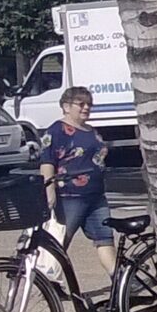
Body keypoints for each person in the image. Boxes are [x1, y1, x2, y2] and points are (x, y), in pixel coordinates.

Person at [40, 86, 116, 279]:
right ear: (66, 106)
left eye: (89, 104)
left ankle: (119, 279)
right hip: (70, 196)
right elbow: (47, 162)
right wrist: (49, 191)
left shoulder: (91, 131)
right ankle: (47, 281)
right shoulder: (56, 130)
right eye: (81, 104)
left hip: (96, 196)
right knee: (59, 241)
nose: (86, 108)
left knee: (105, 239)